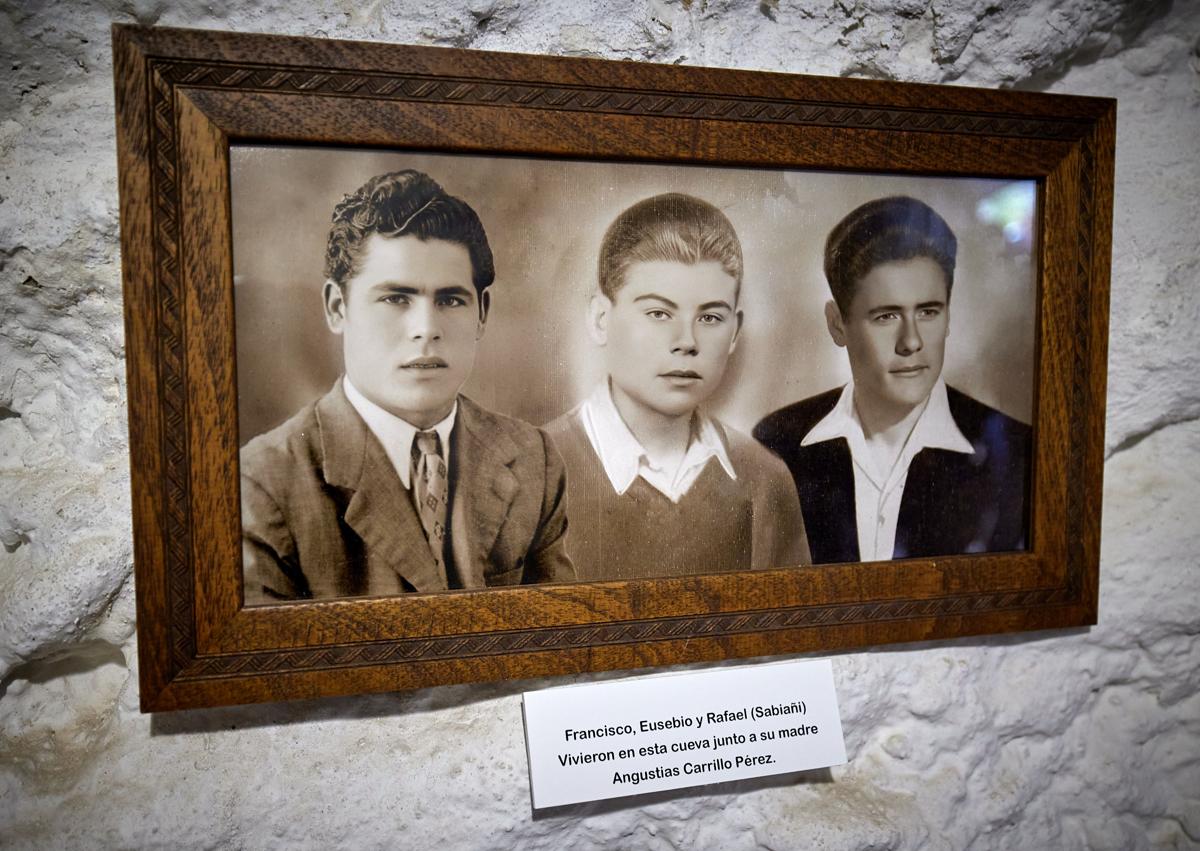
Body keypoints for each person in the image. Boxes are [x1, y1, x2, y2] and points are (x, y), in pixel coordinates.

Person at [240, 169, 574, 603]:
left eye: (450, 300)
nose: (425, 328)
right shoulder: (263, 483)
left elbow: (557, 643)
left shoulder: (534, 459)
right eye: (396, 298)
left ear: (482, 314)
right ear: (338, 307)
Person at [545, 193, 810, 581]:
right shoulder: (535, 471)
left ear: (735, 331)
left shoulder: (765, 479)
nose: (686, 341)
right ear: (601, 319)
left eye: (710, 317)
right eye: (658, 313)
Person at [753, 195, 1031, 564]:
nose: (912, 342)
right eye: (886, 316)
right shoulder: (778, 444)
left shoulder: (1014, 451)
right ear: (838, 324)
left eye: (928, 312)